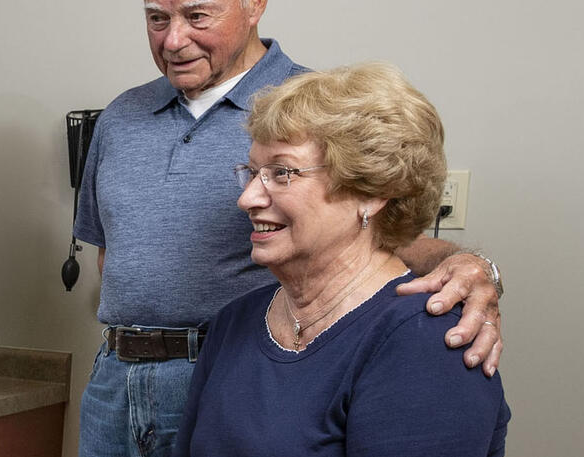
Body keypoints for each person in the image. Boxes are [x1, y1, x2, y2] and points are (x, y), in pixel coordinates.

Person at [72, 1, 506, 455]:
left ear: (254, 5)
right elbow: (111, 251)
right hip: (127, 374)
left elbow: (383, 239)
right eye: (157, 17)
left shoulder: (315, 110)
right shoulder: (121, 117)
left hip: (247, 367)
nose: (173, 39)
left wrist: (471, 268)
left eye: (197, 16)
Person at [176, 62, 509, 456]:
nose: (247, 198)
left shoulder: (426, 343)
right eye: (251, 173)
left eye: (281, 173)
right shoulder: (235, 322)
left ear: (371, 192)